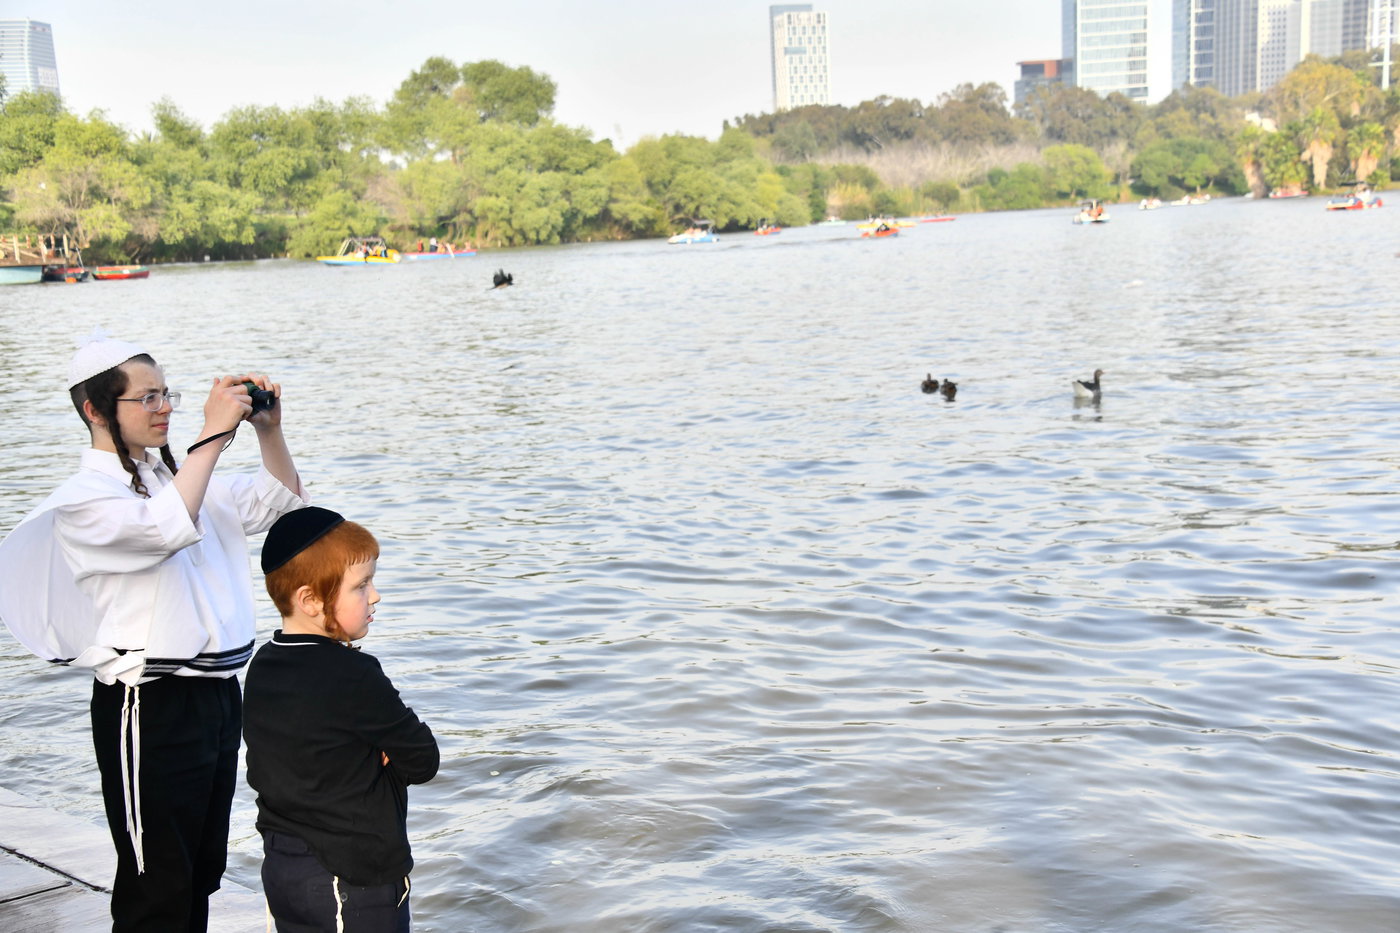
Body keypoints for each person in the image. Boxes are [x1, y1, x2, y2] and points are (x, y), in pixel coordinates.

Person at [0, 331, 309, 931]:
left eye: (166, 393)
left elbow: (283, 502)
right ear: (95, 409)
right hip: (149, 704)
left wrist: (267, 430)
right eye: (146, 398)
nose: (165, 407)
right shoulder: (84, 501)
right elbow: (159, 532)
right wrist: (214, 437)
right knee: (155, 879)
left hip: (218, 697)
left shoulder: (180, 480)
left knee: (202, 868)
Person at [243, 507, 438, 932]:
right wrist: (380, 758)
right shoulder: (353, 674)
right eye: (361, 585)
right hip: (353, 879)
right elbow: (423, 760)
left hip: (284, 866)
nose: (375, 596)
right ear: (311, 600)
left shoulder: (264, 663)